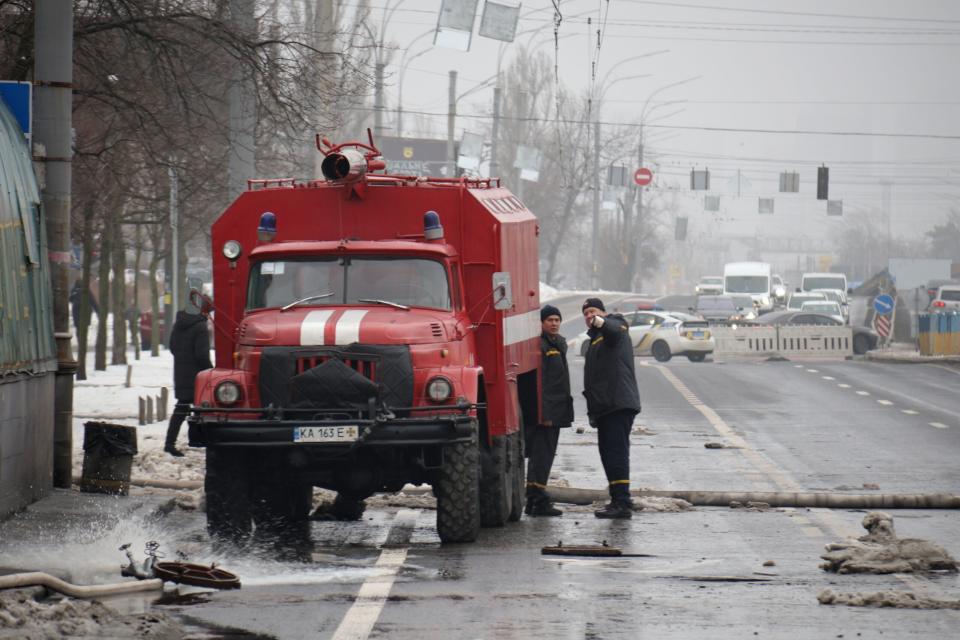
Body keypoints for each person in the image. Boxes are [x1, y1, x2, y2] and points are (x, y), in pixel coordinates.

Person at [581, 297, 641, 519]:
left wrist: (600, 322)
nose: (589, 316)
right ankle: (618, 499)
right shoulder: (594, 340)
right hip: (604, 407)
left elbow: (615, 330)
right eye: (586, 314)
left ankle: (622, 503)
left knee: (616, 453)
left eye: (593, 311)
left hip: (618, 403)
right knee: (608, 454)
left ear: (603, 312)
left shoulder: (615, 325)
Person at [525, 304, 573, 517]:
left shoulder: (558, 343)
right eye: (550, 320)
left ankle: (535, 497)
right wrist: (543, 414)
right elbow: (540, 382)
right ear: (541, 323)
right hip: (546, 412)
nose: (554, 323)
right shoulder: (541, 345)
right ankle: (537, 499)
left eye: (557, 320)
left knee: (544, 455)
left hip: (556, 409)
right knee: (541, 455)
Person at [164, 299, 213, 456]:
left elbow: (172, 346)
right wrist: (210, 372)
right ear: (203, 310)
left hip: (181, 371)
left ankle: (169, 443)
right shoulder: (200, 327)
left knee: (181, 408)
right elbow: (202, 355)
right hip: (198, 375)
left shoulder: (179, 324)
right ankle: (205, 441)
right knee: (206, 408)